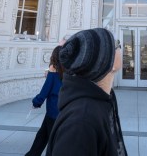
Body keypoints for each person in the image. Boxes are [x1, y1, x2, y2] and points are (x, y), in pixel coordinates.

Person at [46, 28, 127, 156]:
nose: (121, 48)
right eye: (117, 44)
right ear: (106, 61)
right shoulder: (81, 123)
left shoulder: (101, 100)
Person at [25, 45, 63, 155]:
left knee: (51, 141)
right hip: (63, 110)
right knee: (42, 135)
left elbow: (45, 90)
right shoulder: (69, 71)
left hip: (53, 112)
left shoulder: (53, 70)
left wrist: (36, 102)